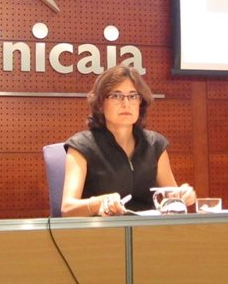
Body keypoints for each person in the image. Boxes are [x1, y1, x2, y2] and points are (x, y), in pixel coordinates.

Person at [60, 65, 195, 216]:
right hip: (103, 227)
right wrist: (100, 202)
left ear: (140, 103)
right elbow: (67, 208)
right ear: (100, 104)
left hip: (148, 228)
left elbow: (171, 197)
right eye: (116, 96)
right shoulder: (81, 146)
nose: (126, 103)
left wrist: (182, 195)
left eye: (133, 96)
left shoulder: (155, 144)